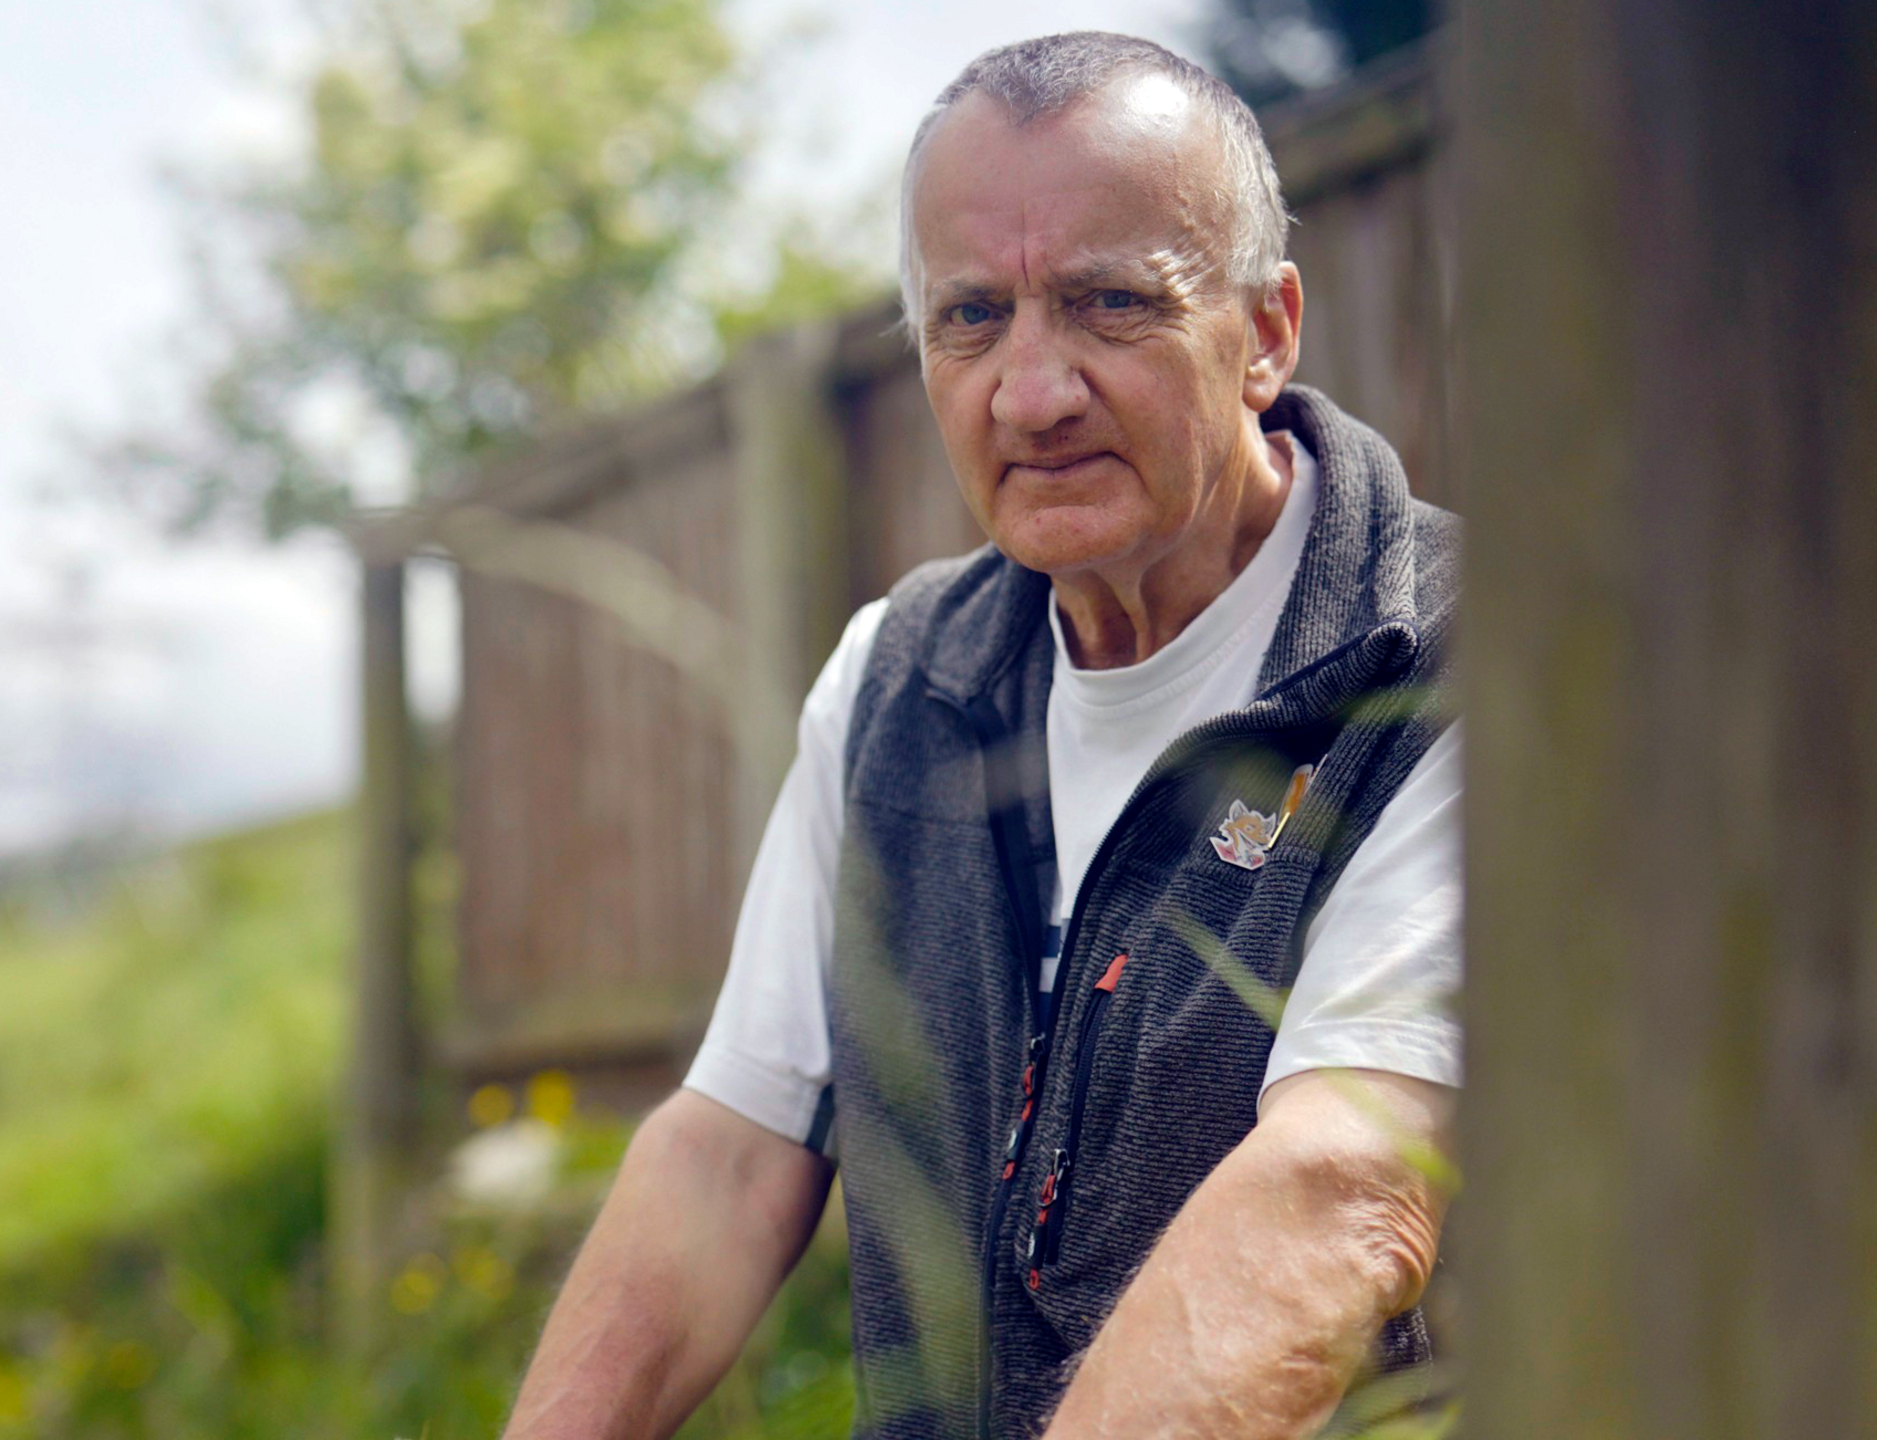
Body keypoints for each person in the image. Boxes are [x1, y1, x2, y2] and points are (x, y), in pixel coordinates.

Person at [501, 32, 1460, 1440]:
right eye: (971, 319)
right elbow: (730, 1151)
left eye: (1109, 304)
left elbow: (1341, 1191)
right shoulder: (897, 681)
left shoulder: (1448, 667)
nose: (1032, 391)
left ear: (1265, 331)